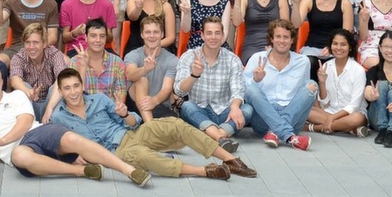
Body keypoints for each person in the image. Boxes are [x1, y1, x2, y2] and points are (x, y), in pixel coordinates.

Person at [50, 67, 255, 180]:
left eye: (76, 86)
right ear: (60, 91)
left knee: (175, 124)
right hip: (114, 153)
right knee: (145, 157)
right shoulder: (58, 118)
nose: (73, 92)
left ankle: (230, 161)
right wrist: (75, 157)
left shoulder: (100, 100)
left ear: (82, 85)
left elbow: (134, 122)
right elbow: (59, 146)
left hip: (133, 134)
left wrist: (123, 114)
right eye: (67, 88)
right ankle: (205, 171)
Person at [0, 64, 151, 185]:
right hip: (20, 150)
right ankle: (80, 171)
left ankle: (129, 170)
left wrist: (2, 141)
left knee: (72, 138)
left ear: (3, 81)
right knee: (19, 156)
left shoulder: (17, 95)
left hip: (39, 132)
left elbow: (25, 123)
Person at [174, 16, 249, 149]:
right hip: (200, 110)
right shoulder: (189, 57)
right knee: (187, 107)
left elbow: (238, 90)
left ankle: (213, 134)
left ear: (222, 35)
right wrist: (194, 75)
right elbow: (179, 90)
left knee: (247, 110)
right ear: (202, 35)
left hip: (224, 111)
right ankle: (221, 137)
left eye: (217, 33)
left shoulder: (233, 59)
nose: (213, 37)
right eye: (209, 33)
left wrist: (235, 107)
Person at [243, 18, 317, 150]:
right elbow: (244, 92)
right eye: (278, 36)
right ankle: (289, 136)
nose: (282, 41)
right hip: (263, 117)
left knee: (312, 85)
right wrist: (256, 80)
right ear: (271, 39)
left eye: (286, 37)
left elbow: (303, 95)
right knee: (251, 88)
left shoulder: (303, 61)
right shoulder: (257, 58)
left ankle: (275, 132)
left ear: (292, 40)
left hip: (293, 115)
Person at [304, 28, 368, 136]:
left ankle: (314, 128)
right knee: (306, 110)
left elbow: (354, 106)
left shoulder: (358, 71)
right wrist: (322, 82)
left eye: (343, 44)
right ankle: (348, 129)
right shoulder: (326, 66)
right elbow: (324, 103)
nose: (338, 48)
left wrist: (331, 119)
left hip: (351, 114)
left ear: (350, 47)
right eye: (335, 44)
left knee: (356, 119)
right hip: (329, 112)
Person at [122, 15, 177, 123]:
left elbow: (167, 89)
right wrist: (144, 69)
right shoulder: (133, 55)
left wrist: (154, 101)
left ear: (162, 34)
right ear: (142, 35)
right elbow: (129, 75)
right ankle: (150, 125)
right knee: (141, 80)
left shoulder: (172, 60)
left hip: (158, 104)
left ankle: (150, 124)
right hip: (134, 106)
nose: (152, 36)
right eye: (148, 32)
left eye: (156, 32)